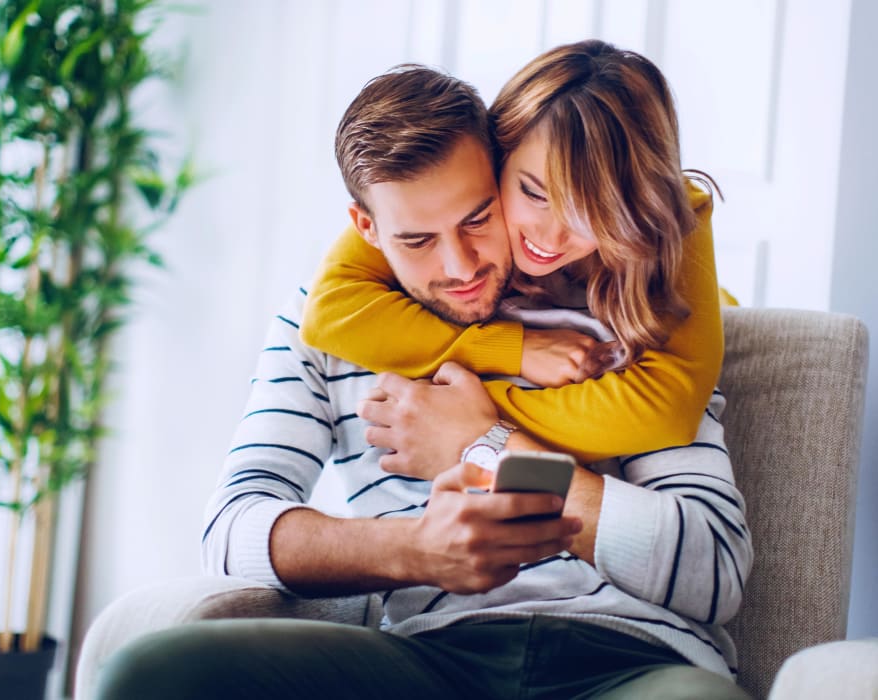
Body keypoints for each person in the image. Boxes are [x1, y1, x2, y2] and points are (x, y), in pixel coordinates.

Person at [94, 49, 752, 700]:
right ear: (366, 228)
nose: (461, 265)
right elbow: (232, 531)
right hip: (432, 655)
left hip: (632, 656)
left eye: (478, 219)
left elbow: (714, 573)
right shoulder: (322, 325)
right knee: (151, 673)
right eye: (417, 240)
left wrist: (485, 448)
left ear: (497, 168)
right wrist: (411, 550)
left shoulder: (629, 311)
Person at [300, 40, 725, 469]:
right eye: (534, 193)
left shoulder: (669, 212)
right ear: (499, 152)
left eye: (593, 213)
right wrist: (511, 350)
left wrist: (468, 420)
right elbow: (329, 312)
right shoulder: (437, 192)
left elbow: (667, 410)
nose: (552, 237)